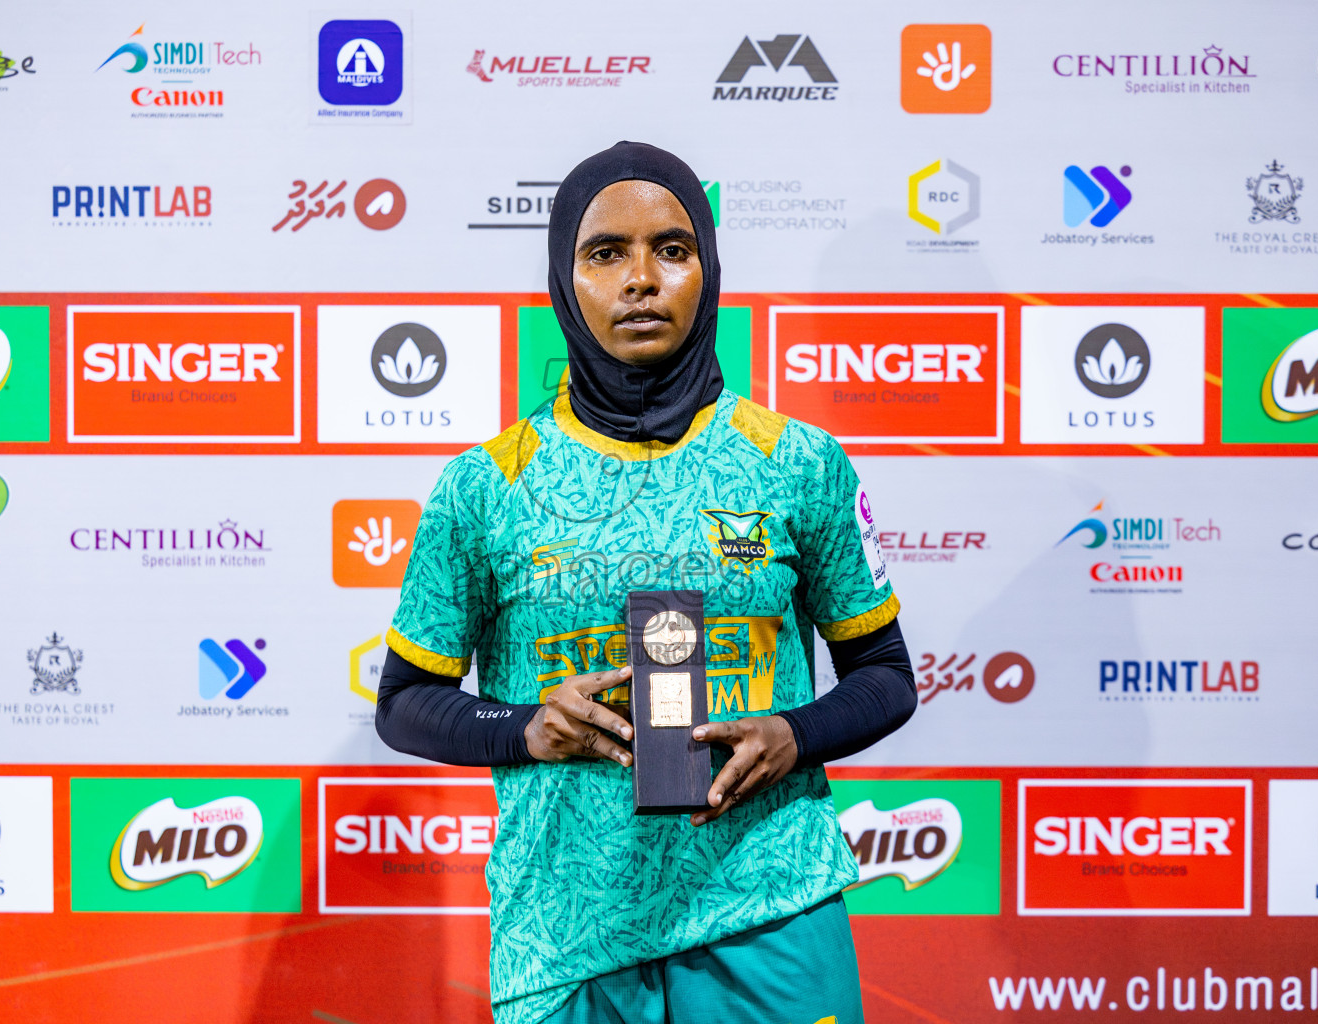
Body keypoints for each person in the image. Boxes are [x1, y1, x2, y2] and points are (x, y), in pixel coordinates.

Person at [375, 141, 916, 1024]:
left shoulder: (795, 463)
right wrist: (527, 727)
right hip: (566, 930)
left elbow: (886, 677)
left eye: (671, 249)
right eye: (605, 253)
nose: (641, 279)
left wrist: (793, 733)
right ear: (563, 277)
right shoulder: (488, 483)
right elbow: (405, 701)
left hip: (768, 904)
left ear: (707, 272)